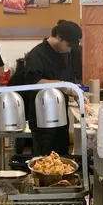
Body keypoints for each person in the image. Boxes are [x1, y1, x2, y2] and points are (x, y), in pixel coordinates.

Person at [24, 21, 82, 156]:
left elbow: (71, 77)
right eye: (68, 45)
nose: (69, 49)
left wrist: (75, 91)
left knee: (61, 156)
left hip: (61, 114)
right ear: (59, 37)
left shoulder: (66, 53)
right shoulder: (37, 54)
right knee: (45, 158)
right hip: (42, 116)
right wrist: (61, 85)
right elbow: (33, 83)